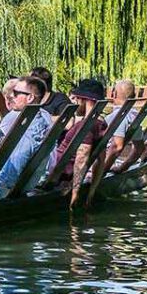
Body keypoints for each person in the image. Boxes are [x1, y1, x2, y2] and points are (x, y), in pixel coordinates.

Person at [0, 75, 53, 204]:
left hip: (4, 196)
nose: (11, 96)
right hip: (27, 187)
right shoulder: (45, 116)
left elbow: (9, 175)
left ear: (30, 97)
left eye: (16, 93)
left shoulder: (24, 124)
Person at [48, 78, 107, 207]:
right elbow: (101, 159)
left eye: (77, 99)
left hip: (56, 175)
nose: (75, 102)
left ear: (85, 100)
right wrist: (92, 190)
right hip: (63, 172)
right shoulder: (101, 123)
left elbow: (82, 157)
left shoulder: (85, 126)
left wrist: (75, 193)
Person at [104, 79, 138, 168]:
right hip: (111, 163)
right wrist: (123, 167)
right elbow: (139, 148)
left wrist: (101, 171)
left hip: (101, 163)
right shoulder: (134, 116)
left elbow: (117, 147)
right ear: (134, 96)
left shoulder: (117, 117)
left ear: (114, 94)